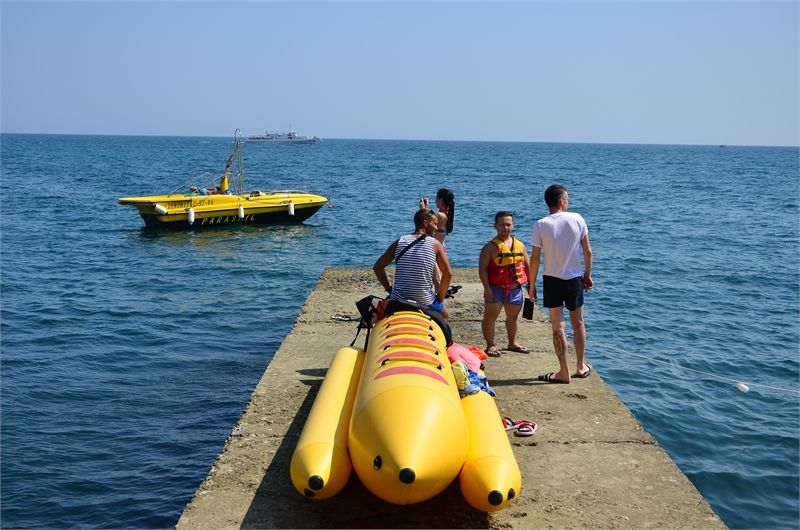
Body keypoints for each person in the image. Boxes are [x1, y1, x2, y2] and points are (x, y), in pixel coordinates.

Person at [529, 184, 594, 384]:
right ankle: (580, 366)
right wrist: (587, 274)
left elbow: (535, 258)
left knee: (558, 326)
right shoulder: (578, 218)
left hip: (551, 279)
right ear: (562, 200)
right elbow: (588, 251)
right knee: (578, 322)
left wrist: (531, 285)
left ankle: (564, 372)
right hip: (574, 279)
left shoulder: (540, 224)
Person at [373, 208, 452, 318]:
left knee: (377, 313)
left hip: (398, 299)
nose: (437, 228)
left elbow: (377, 267)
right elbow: (448, 274)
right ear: (425, 223)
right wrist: (439, 299)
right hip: (425, 301)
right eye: (435, 224)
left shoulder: (400, 241)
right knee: (445, 315)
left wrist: (389, 289)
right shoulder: (436, 244)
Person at [479, 211, 531, 357]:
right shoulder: (489, 247)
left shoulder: (520, 245)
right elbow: (482, 269)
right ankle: (490, 344)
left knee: (513, 318)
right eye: (502, 225)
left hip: (515, 289)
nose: (506, 228)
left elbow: (527, 267)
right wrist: (487, 288)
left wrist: (531, 286)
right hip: (496, 288)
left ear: (513, 225)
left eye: (508, 224)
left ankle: (512, 342)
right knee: (490, 317)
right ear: (495, 225)